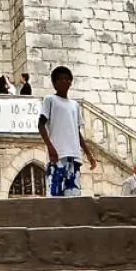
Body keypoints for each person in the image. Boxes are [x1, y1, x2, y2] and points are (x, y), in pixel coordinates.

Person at [38, 66, 94, 197]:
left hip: (74, 156)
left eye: (68, 79)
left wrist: (88, 154)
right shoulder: (50, 100)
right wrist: (50, 147)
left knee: (73, 194)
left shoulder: (75, 105)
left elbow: (77, 132)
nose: (65, 82)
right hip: (58, 155)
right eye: (61, 79)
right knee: (55, 194)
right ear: (54, 83)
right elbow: (41, 125)